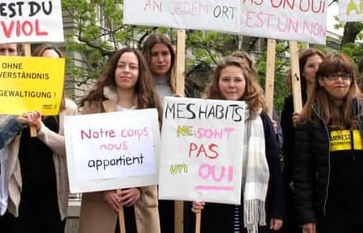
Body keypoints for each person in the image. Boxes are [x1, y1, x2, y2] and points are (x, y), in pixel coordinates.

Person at [0, 44, 76, 233]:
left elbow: (73, 150)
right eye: (43, 63)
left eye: (54, 64)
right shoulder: (9, 102)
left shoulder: (69, 108)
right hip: (16, 192)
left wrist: (42, 131)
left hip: (52, 194)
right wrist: (17, 121)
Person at [293, 54, 363, 233]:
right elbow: (302, 173)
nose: (339, 81)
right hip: (330, 212)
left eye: (345, 76)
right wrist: (307, 216)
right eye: (332, 76)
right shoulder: (309, 119)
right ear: (321, 80)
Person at [192, 57, 284, 233]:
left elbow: (273, 162)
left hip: (253, 201)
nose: (231, 85)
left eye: (237, 80)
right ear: (217, 83)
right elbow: (194, 159)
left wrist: (277, 210)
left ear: (247, 83)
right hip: (214, 200)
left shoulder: (261, 117)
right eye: (225, 79)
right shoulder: (204, 116)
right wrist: (192, 197)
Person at [77, 48, 161, 233]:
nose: (126, 71)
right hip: (101, 202)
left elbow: (159, 154)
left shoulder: (151, 108)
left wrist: (140, 188)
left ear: (140, 73)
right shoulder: (93, 106)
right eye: (121, 66)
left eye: (133, 67)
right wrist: (103, 190)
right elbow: (83, 154)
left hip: (139, 200)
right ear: (113, 69)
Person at [140, 31, 194, 233]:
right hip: (147, 170)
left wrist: (186, 109)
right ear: (146, 56)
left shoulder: (183, 88)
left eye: (165, 53)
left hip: (176, 169)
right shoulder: (140, 88)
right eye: (154, 54)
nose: (161, 59)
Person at [282, 48, 324, 232]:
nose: (316, 69)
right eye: (311, 66)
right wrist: (292, 176)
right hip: (300, 173)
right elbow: (289, 145)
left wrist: (309, 119)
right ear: (302, 70)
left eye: (320, 66)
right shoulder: (292, 102)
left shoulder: (331, 100)